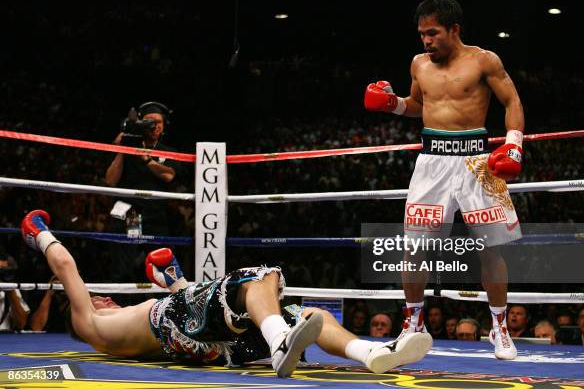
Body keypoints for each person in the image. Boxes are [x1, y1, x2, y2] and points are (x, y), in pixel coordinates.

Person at [21, 209, 432, 377]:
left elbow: (193, 313)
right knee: (257, 277)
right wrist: (39, 233)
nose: (105, 299)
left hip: (204, 341)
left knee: (306, 316)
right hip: (179, 322)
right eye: (97, 298)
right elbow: (66, 266)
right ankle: (278, 343)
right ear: (77, 311)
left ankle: (370, 353)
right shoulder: (88, 322)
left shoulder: (119, 326)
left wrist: (174, 281)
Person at [364, 0, 524, 360]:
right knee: (413, 247)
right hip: (432, 160)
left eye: (433, 33)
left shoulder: (484, 60)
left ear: (454, 29)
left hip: (477, 161)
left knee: (491, 247)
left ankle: (499, 327)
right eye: (421, 34)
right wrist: (393, 104)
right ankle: (413, 324)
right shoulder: (418, 63)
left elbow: (512, 101)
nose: (426, 41)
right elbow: (420, 105)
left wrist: (514, 145)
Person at [105, 102, 182, 281]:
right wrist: (122, 150)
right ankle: (122, 304)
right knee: (124, 265)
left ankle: (168, 306)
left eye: (159, 122)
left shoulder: (168, 152)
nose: (154, 126)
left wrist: (147, 160)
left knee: (164, 266)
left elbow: (169, 176)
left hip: (156, 214)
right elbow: (110, 180)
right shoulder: (127, 147)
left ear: (164, 126)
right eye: (149, 121)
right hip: (129, 212)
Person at [0, 248, 29, 331]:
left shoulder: (12, 289)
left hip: (5, 336)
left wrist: (10, 290)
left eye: (4, 269)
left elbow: (21, 324)